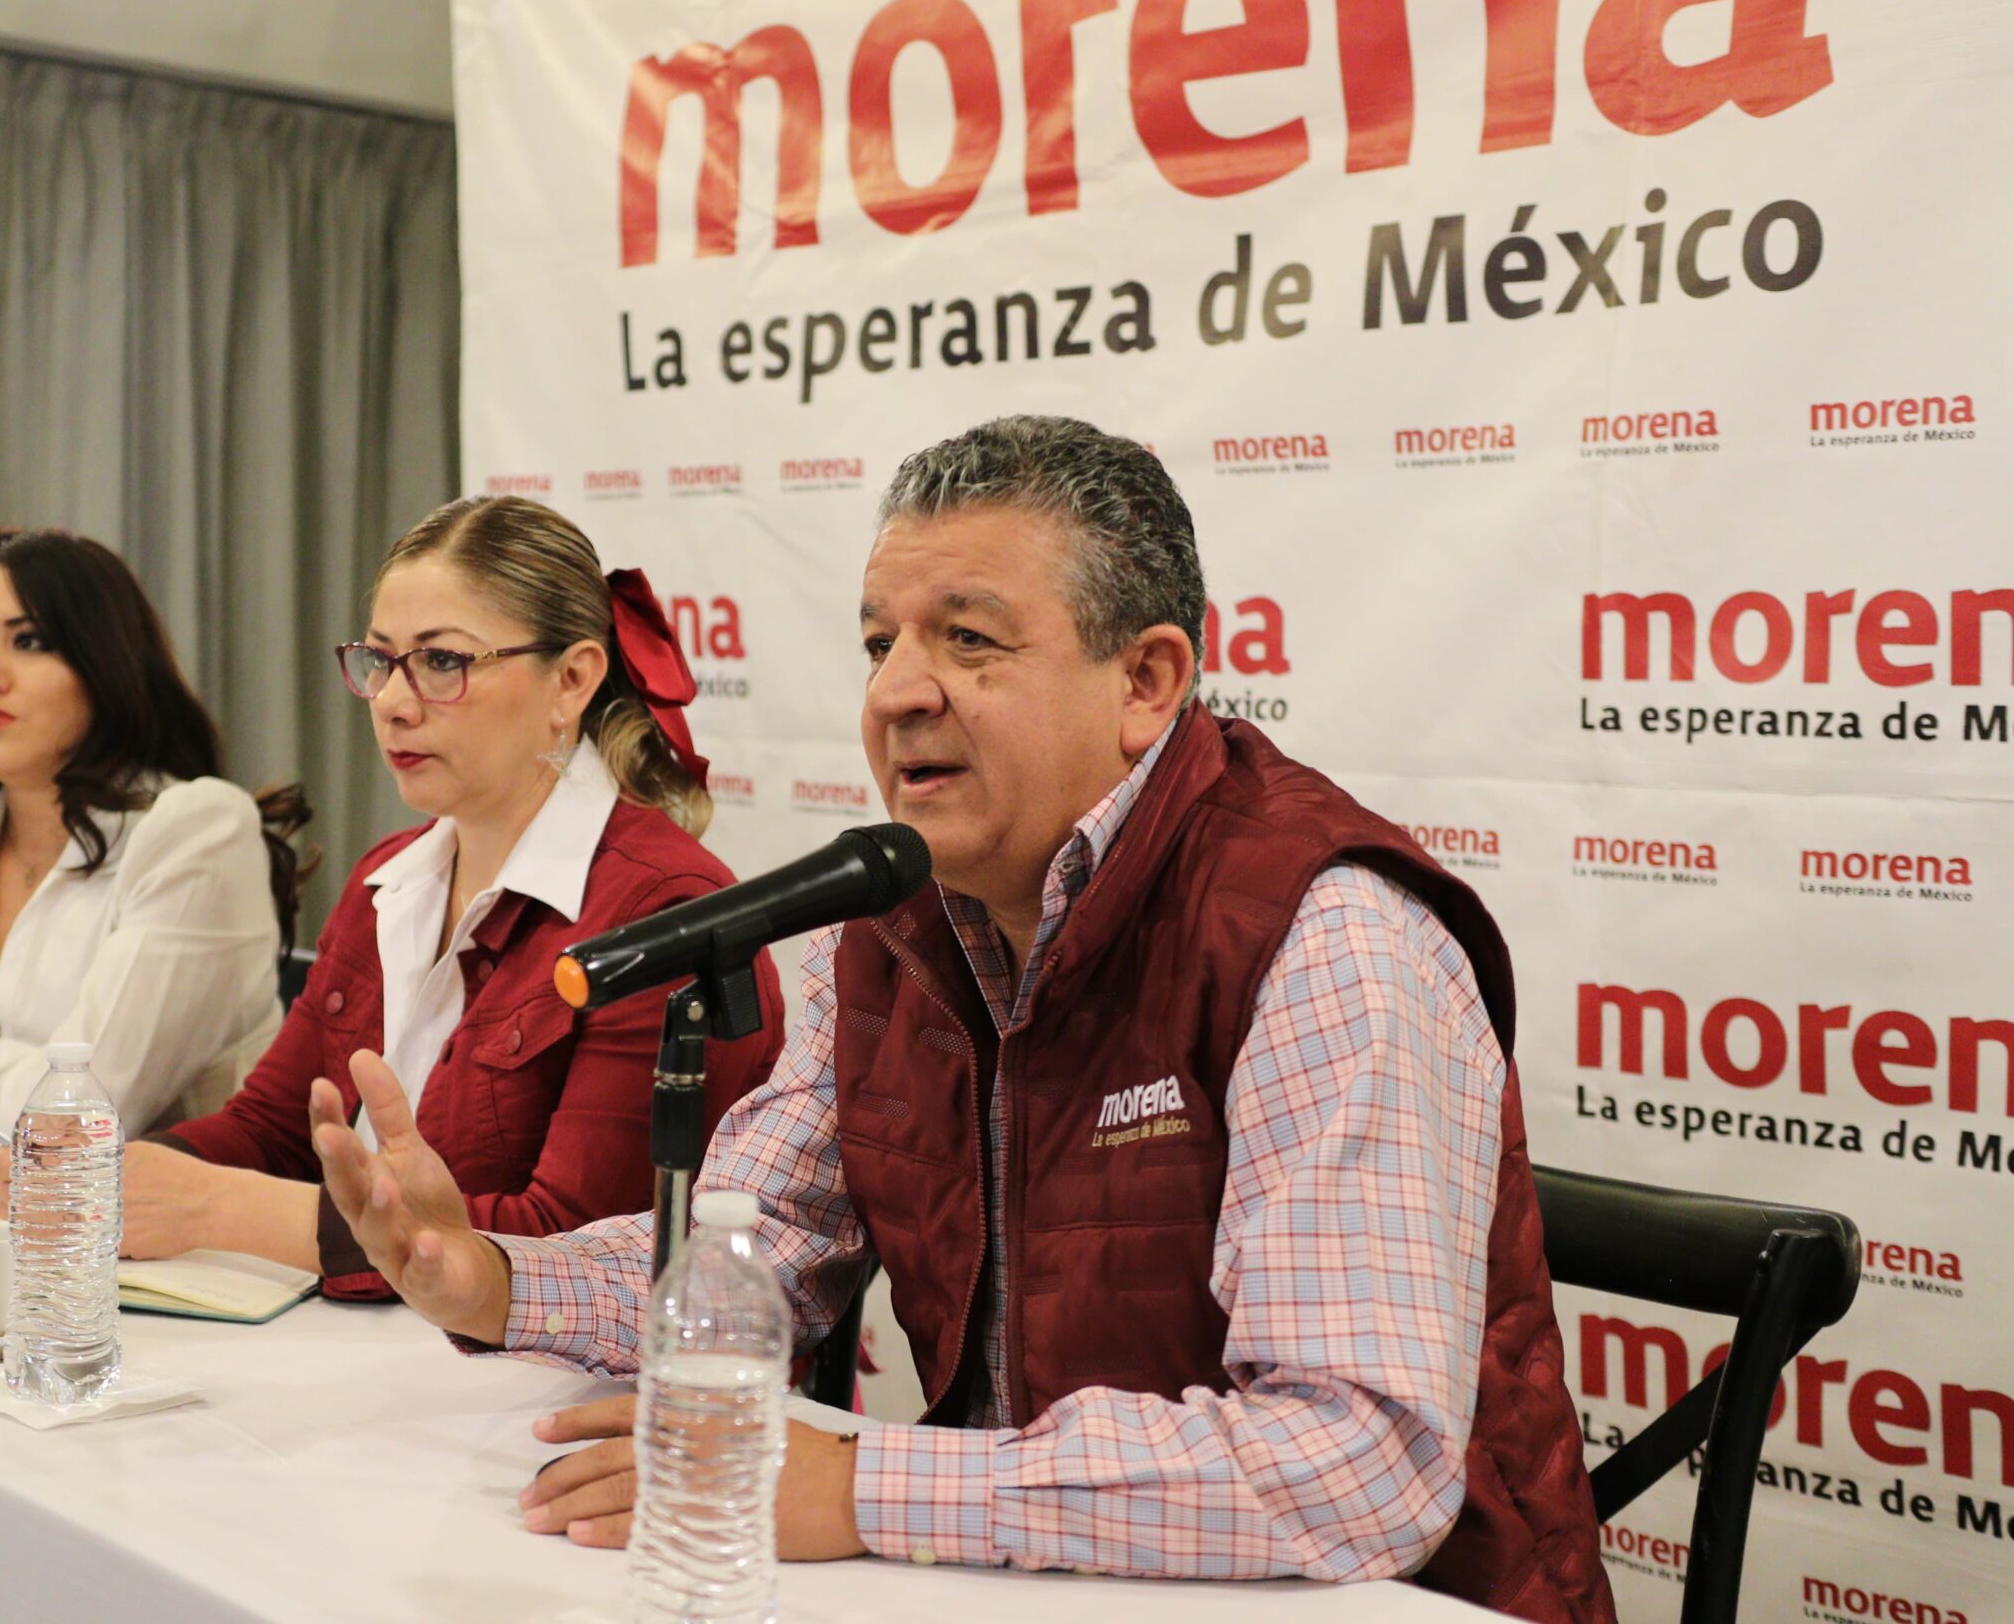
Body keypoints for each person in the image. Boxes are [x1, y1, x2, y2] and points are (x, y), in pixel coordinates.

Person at [306, 417, 1616, 1623]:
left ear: (1149, 679)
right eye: (881, 642)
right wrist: (489, 1274)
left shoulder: (1325, 931)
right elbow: (750, 1250)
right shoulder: (894, 924)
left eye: (969, 640)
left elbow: (1360, 1457)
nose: (897, 691)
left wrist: (856, 1492)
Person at [0, 497, 783, 1297]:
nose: (394, 703)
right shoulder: (390, 877)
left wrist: (212, 1209)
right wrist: (116, 1171)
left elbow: (571, 1251)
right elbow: (271, 1129)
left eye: (443, 663)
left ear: (572, 680)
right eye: (380, 661)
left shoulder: (664, 909)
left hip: (538, 1399)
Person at [0, 526, 308, 1149]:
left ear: (104, 661)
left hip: (162, 1235)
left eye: (28, 641)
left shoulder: (198, 831)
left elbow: (79, 1116)